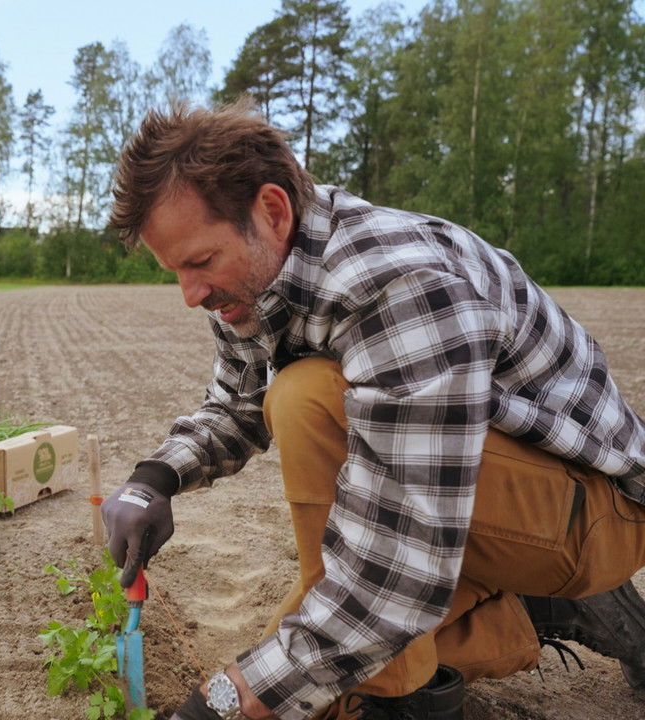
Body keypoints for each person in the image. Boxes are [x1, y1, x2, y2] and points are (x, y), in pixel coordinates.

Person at [101, 100, 645, 720]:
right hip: (481, 496)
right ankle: (524, 613)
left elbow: (396, 574)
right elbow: (236, 401)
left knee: (309, 403)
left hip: (597, 512)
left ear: (272, 211)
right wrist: (157, 479)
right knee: (319, 640)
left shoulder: (399, 284)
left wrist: (222, 703)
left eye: (199, 262)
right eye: (175, 270)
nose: (190, 293)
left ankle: (398, 697)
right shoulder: (254, 279)